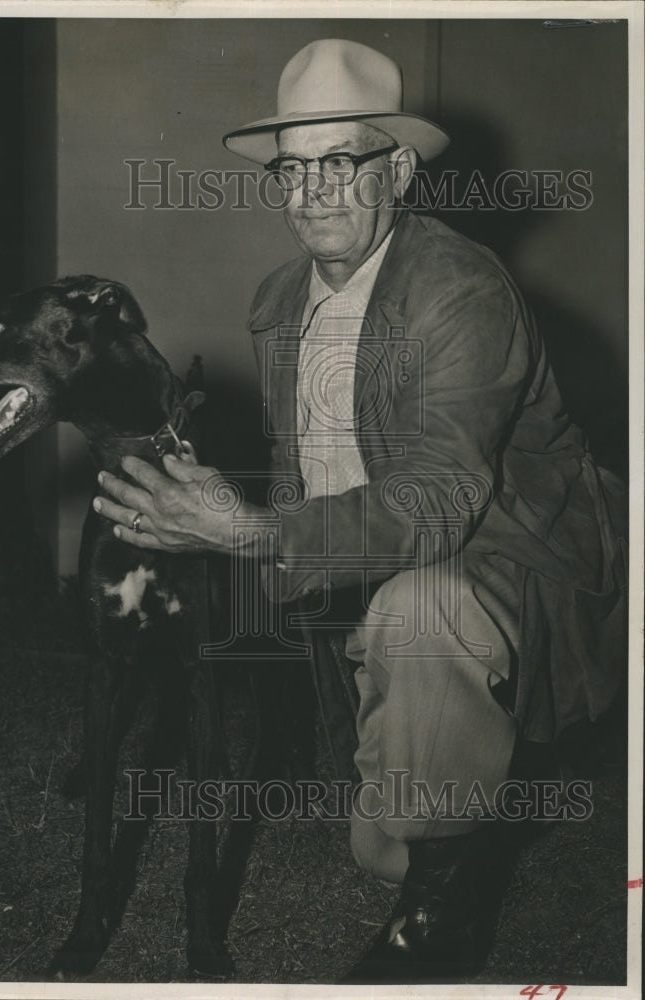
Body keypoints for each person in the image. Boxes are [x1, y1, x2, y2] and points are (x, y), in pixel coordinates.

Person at [92, 39, 626, 980]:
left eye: (341, 162)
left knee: (419, 618)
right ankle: (450, 823)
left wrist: (252, 532)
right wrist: (206, 513)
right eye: (293, 169)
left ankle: (439, 934)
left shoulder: (458, 291)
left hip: (508, 561)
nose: (312, 191)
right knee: (380, 851)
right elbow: (316, 476)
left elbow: (439, 498)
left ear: (398, 170)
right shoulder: (276, 303)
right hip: (371, 579)